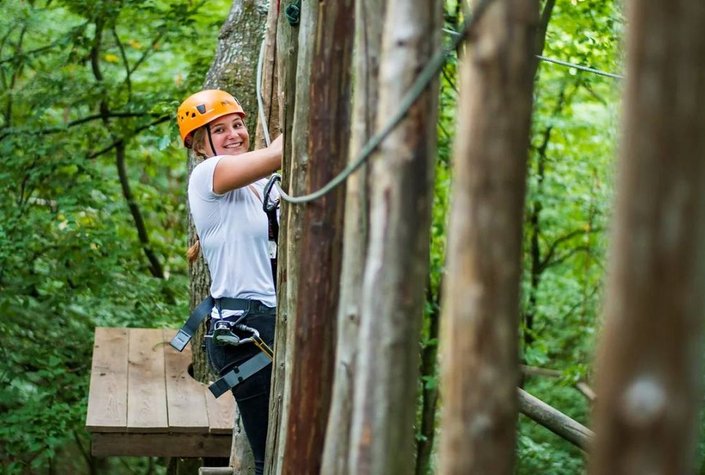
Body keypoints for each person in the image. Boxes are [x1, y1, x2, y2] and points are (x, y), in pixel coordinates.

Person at [177, 89, 282, 474]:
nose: (234, 134)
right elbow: (280, 152)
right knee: (269, 458)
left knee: (285, 447)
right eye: (219, 130)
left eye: (238, 125)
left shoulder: (259, 185)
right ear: (199, 145)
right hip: (246, 330)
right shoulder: (207, 175)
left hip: (267, 323)